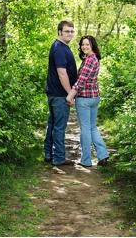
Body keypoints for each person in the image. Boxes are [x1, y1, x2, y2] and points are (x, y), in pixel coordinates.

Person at [67, 35, 109, 167]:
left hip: (85, 99)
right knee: (92, 127)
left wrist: (70, 96)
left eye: (87, 44)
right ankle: (103, 155)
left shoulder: (90, 60)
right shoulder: (94, 58)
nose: (84, 47)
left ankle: (86, 160)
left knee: (85, 129)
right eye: (83, 44)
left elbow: (80, 81)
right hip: (94, 97)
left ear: (92, 45)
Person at [44, 21, 78, 166]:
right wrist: (70, 93)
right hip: (59, 95)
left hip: (54, 92)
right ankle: (58, 158)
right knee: (58, 126)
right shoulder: (59, 48)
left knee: (52, 124)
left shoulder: (61, 47)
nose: (70, 34)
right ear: (59, 32)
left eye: (71, 31)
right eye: (66, 31)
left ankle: (48, 154)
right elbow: (62, 74)